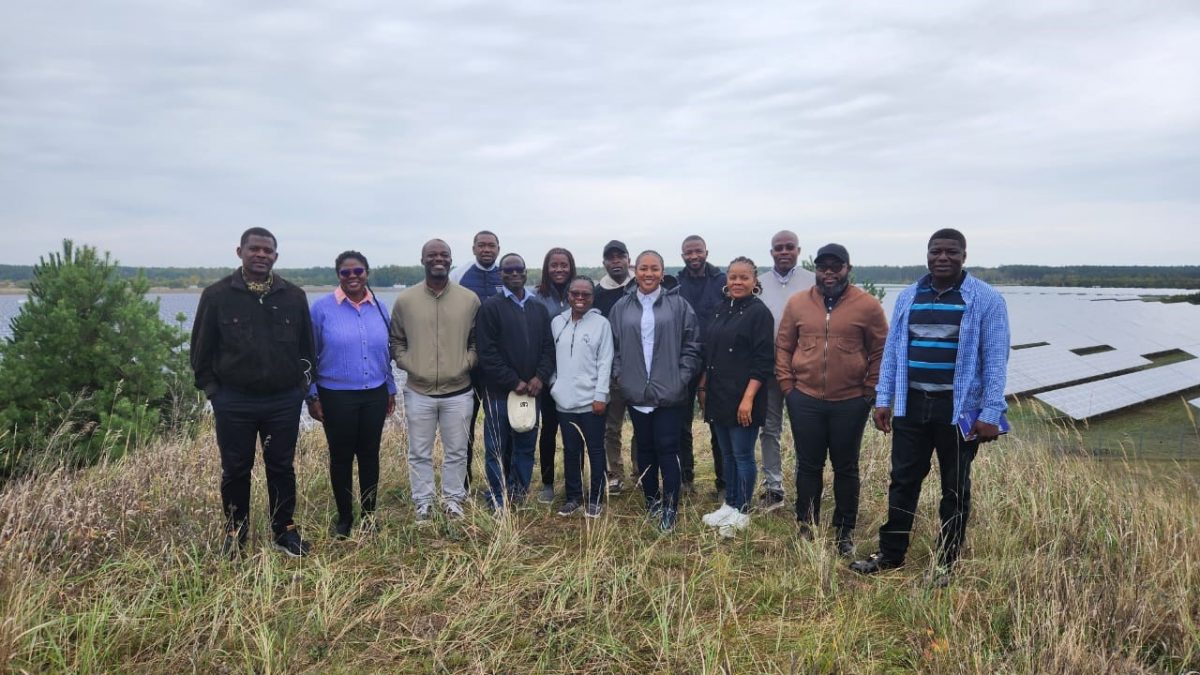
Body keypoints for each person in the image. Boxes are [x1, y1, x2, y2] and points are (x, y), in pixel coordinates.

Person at [850, 228, 1010, 587]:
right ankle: (890, 555)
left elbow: (996, 360)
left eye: (951, 252)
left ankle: (946, 563)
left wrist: (990, 413)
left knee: (954, 488)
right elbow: (893, 353)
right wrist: (884, 400)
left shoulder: (985, 299)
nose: (942, 258)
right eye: (936, 251)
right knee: (903, 481)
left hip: (957, 410)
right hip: (911, 406)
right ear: (927, 254)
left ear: (964, 256)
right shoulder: (909, 296)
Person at [190, 227, 315, 558]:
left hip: (282, 400)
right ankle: (235, 533)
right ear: (240, 252)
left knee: (282, 466)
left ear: (276, 255)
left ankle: (284, 530)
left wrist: (300, 387)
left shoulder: (293, 296)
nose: (261, 255)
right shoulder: (217, 296)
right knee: (235, 468)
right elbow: (200, 353)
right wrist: (215, 392)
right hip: (234, 401)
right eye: (254, 249)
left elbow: (307, 349)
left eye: (267, 250)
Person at [776, 244, 888, 555]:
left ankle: (844, 531)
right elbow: (784, 346)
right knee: (808, 466)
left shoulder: (867, 306)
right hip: (805, 399)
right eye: (823, 267)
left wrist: (869, 390)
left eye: (835, 267)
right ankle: (806, 526)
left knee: (846, 467)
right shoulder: (797, 303)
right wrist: (788, 386)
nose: (828, 273)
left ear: (847, 269)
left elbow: (881, 349)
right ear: (816, 270)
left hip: (850, 401)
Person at [307, 251, 398, 538]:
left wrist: (390, 389)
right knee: (341, 457)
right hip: (336, 395)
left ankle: (370, 515)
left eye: (358, 271)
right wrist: (311, 395)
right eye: (346, 272)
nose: (353, 277)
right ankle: (345, 517)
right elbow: (308, 356)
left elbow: (385, 353)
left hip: (374, 393)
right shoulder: (321, 309)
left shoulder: (380, 308)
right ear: (338, 275)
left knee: (370, 455)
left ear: (366, 273)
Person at [609, 250, 701, 532]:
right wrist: (622, 378)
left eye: (655, 268)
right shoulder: (621, 307)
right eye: (643, 268)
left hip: (669, 393)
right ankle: (652, 501)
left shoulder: (679, 305)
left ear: (662, 272)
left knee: (668, 449)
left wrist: (680, 378)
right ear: (635, 270)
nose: (648, 274)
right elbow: (613, 349)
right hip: (636, 393)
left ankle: (671, 506)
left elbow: (692, 345)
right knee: (645, 449)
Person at [389, 239, 480, 522]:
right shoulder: (406, 300)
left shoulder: (469, 299)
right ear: (422, 260)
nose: (438, 259)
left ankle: (453, 500)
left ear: (451, 260)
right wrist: (410, 365)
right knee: (419, 452)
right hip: (419, 391)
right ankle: (423, 502)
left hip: (459, 391)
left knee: (456, 451)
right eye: (432, 255)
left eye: (444, 255)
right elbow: (396, 341)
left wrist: (465, 364)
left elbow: (477, 341)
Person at [698, 258, 775, 536]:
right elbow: (710, 354)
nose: (737, 282)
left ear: (755, 281)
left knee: (743, 455)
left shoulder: (759, 313)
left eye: (744, 277)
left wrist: (748, 399)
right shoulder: (721, 310)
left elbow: (763, 361)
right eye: (733, 277)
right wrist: (704, 388)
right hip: (720, 394)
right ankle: (729, 504)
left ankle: (743, 510)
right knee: (727, 454)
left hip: (745, 396)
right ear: (726, 280)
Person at [476, 253, 556, 510]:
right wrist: (513, 381)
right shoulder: (490, 307)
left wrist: (540, 377)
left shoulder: (538, 309)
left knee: (524, 446)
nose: (513, 274)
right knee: (497, 449)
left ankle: (518, 495)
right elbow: (486, 352)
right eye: (507, 270)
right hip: (501, 393)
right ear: (500, 274)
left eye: (518, 269)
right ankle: (498, 498)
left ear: (525, 271)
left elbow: (548, 348)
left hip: (532, 393)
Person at [756, 230, 815, 511]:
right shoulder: (760, 284)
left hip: (803, 369)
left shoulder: (812, 283)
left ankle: (808, 485)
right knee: (769, 429)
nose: (783, 252)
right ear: (771, 253)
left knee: (805, 430)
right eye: (778, 248)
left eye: (789, 247)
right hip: (768, 369)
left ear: (798, 250)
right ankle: (773, 488)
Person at [549, 276, 614, 517]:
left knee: (595, 450)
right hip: (564, 401)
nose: (580, 298)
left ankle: (596, 498)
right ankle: (573, 496)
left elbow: (606, 361)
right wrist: (554, 383)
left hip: (592, 402)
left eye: (586, 294)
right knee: (570, 450)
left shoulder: (601, 324)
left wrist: (600, 395)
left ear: (592, 297)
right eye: (575, 293)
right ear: (568, 295)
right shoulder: (557, 322)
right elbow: (551, 356)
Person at [448, 230, 503, 490]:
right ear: (473, 249)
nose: (486, 250)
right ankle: (464, 481)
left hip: (497, 367)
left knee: (497, 426)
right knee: (464, 426)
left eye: (491, 245)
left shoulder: (506, 274)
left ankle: (499, 480)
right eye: (481, 245)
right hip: (467, 364)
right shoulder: (459, 275)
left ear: (498, 248)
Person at [677, 235, 727, 498]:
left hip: (716, 362)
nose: (693, 256)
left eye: (698, 251)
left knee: (718, 424)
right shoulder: (675, 283)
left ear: (706, 251)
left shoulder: (722, 281)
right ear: (682, 255)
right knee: (681, 424)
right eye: (688, 252)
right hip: (683, 361)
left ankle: (723, 483)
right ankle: (686, 480)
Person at [532, 247, 576, 504]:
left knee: (574, 432)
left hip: (576, 376)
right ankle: (548, 482)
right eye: (554, 265)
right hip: (547, 377)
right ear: (546, 268)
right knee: (548, 431)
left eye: (564, 265)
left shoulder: (580, 294)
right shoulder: (537, 297)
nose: (559, 269)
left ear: (571, 267)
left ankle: (574, 482)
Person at [593, 239, 636, 494]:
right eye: (611, 258)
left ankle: (641, 471)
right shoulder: (597, 293)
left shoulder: (639, 286)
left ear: (628, 260)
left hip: (640, 369)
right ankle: (615, 474)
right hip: (610, 372)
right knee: (612, 427)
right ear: (604, 263)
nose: (616, 261)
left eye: (621, 256)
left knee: (642, 426)